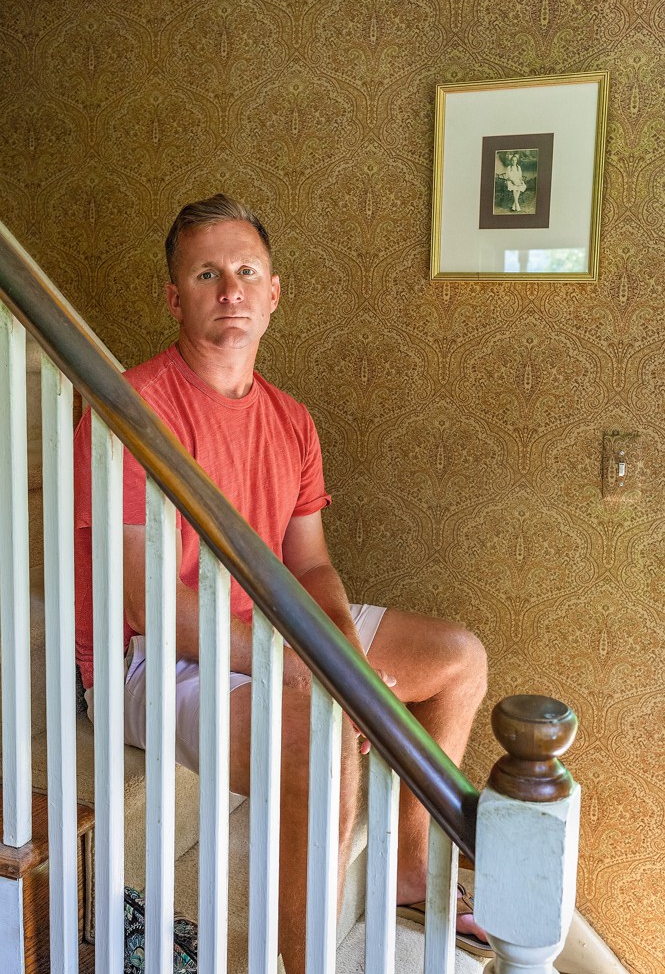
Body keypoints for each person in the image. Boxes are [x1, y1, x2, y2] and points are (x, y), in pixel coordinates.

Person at [73, 194, 490, 970]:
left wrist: (332, 645)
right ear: (174, 297)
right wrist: (310, 671)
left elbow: (311, 565)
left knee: (457, 657)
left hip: (266, 623)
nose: (229, 289)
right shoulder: (127, 413)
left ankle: (404, 864)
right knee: (324, 741)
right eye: (206, 273)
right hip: (150, 657)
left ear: (272, 292)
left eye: (245, 270)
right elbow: (150, 609)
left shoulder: (291, 419)